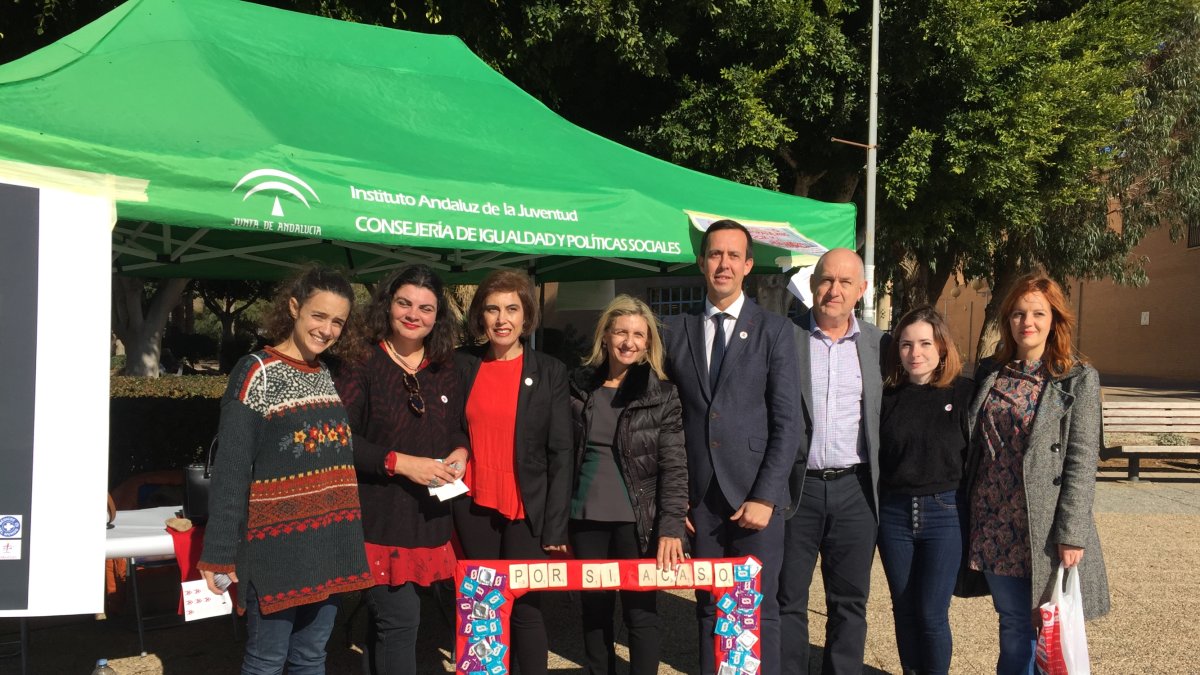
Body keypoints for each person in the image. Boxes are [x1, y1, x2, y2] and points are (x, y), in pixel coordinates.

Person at [198, 265, 373, 675]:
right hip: (276, 552)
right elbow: (231, 470)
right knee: (266, 662)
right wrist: (219, 554)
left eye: (337, 322)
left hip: (329, 545)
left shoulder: (324, 373)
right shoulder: (254, 372)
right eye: (318, 315)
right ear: (294, 307)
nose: (327, 330)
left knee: (311, 658)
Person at [662, 219, 803, 675]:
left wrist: (766, 496)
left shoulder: (774, 330)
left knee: (759, 608)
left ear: (747, 265)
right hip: (699, 500)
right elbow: (668, 422)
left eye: (733, 255)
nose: (723, 263)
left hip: (755, 499)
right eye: (715, 254)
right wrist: (676, 499)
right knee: (710, 608)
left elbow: (788, 423)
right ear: (702, 262)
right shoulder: (675, 330)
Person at [965, 273, 1110, 674]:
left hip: (1043, 528)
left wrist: (1072, 533)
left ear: (1054, 320)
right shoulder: (990, 372)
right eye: (1018, 313)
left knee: (1046, 628)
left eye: (1037, 313)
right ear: (1007, 320)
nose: (1026, 321)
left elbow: (1081, 460)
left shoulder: (1076, 378)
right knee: (1014, 627)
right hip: (994, 524)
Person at [333, 265, 468, 675]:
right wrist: (401, 463)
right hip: (377, 520)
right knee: (400, 621)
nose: (414, 315)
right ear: (387, 305)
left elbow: (457, 427)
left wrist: (461, 451)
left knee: (386, 627)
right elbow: (340, 439)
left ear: (437, 316)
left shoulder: (445, 367)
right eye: (404, 303)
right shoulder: (361, 362)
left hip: (427, 519)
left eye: (426, 308)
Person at [452, 269, 572, 675]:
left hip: (528, 507)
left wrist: (556, 527)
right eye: (492, 309)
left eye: (511, 309)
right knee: (483, 606)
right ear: (481, 316)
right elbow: (450, 427)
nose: (502, 319)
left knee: (526, 608)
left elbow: (561, 452)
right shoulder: (462, 364)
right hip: (474, 503)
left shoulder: (550, 371)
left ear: (526, 316)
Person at [779, 247, 888, 675]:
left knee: (849, 603)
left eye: (845, 282)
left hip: (855, 491)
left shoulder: (880, 345)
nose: (834, 290)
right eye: (826, 279)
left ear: (862, 290)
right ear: (812, 284)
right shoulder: (784, 338)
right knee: (788, 599)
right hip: (797, 490)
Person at [568, 295, 687, 675]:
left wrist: (671, 526)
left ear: (648, 342)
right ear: (605, 335)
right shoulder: (577, 388)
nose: (629, 342)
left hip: (637, 521)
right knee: (595, 612)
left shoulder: (662, 395)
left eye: (638, 334)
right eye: (621, 332)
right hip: (585, 517)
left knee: (641, 612)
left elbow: (674, 466)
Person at [876, 306, 974, 675]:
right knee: (903, 609)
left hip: (944, 515)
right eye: (906, 344)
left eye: (924, 343)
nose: (915, 352)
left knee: (932, 613)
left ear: (941, 347)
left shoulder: (964, 393)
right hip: (894, 516)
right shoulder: (887, 397)